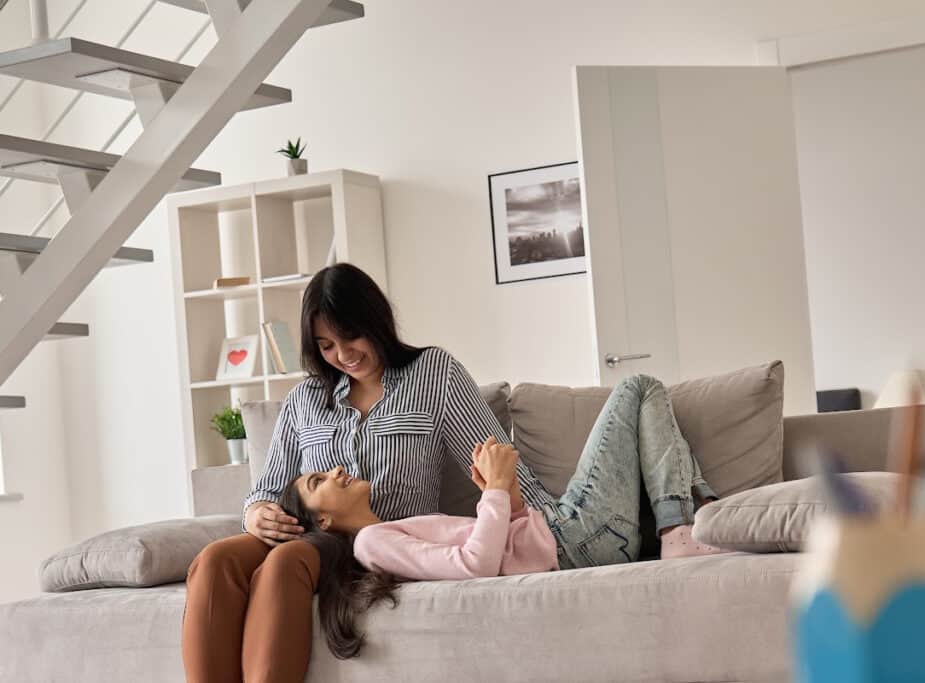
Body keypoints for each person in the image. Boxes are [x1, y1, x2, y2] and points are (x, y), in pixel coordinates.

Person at [181, 263, 551, 683]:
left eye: (351, 336)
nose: (343, 354)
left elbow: (498, 462)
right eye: (326, 345)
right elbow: (266, 487)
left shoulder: (434, 374)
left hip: (379, 544)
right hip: (304, 529)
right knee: (214, 560)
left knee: (287, 560)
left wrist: (554, 528)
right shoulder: (305, 398)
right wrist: (255, 513)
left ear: (376, 321)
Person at [281, 373, 723, 660]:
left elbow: (505, 545)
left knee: (657, 430)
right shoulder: (370, 544)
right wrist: (492, 492)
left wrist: (503, 492)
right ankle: (682, 526)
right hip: (572, 538)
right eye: (319, 481)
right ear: (321, 522)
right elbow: (476, 566)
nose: (336, 469)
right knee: (638, 388)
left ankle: (695, 519)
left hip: (566, 535)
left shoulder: (386, 532)